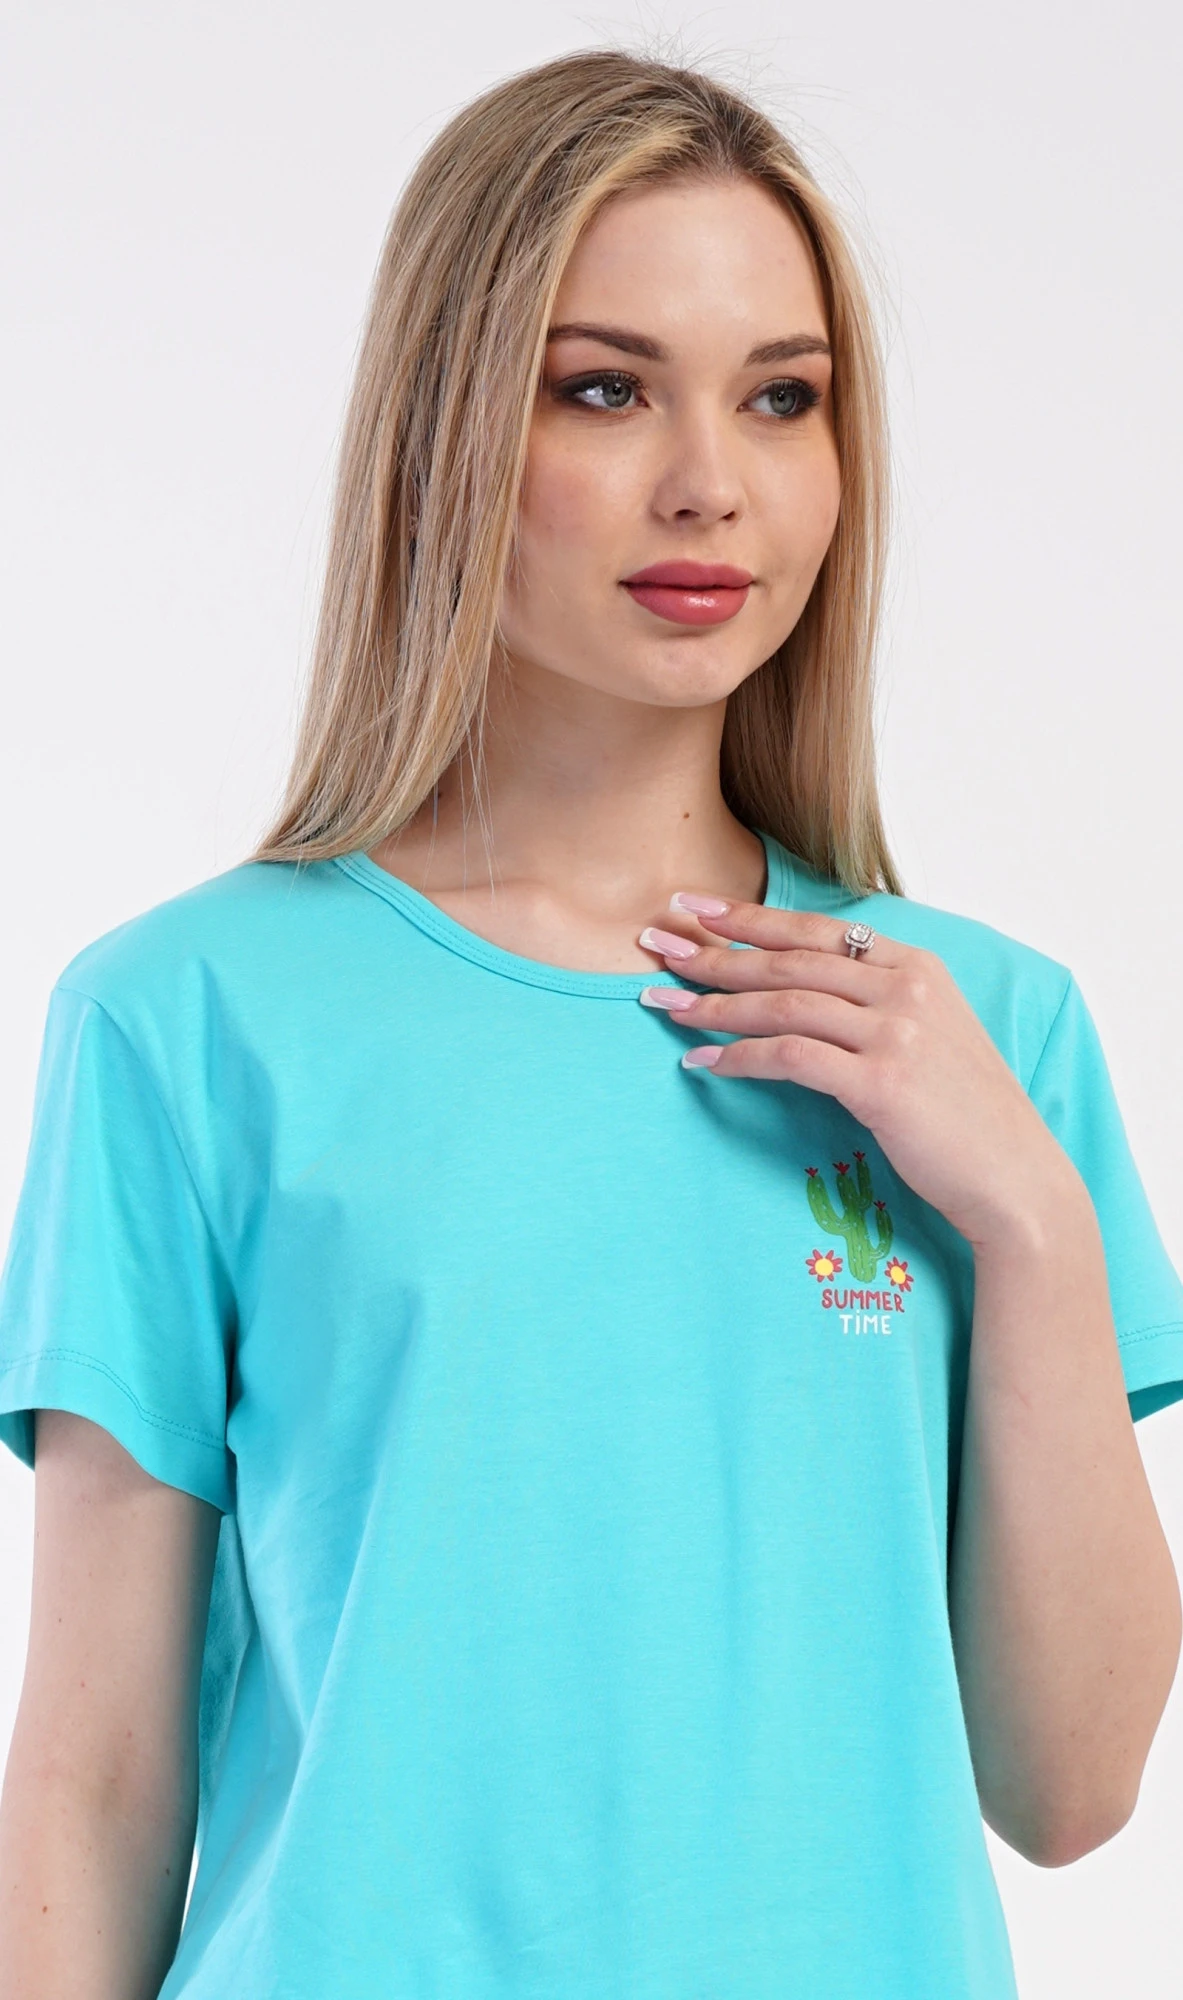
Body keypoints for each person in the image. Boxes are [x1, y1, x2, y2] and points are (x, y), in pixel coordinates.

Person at [0, 47, 1180, 2000]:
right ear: (446, 430)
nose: (709, 480)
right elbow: (96, 1779)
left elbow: (1069, 1788)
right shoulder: (185, 1020)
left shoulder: (987, 1031)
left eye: (782, 397)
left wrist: (1033, 1223)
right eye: (605, 387)